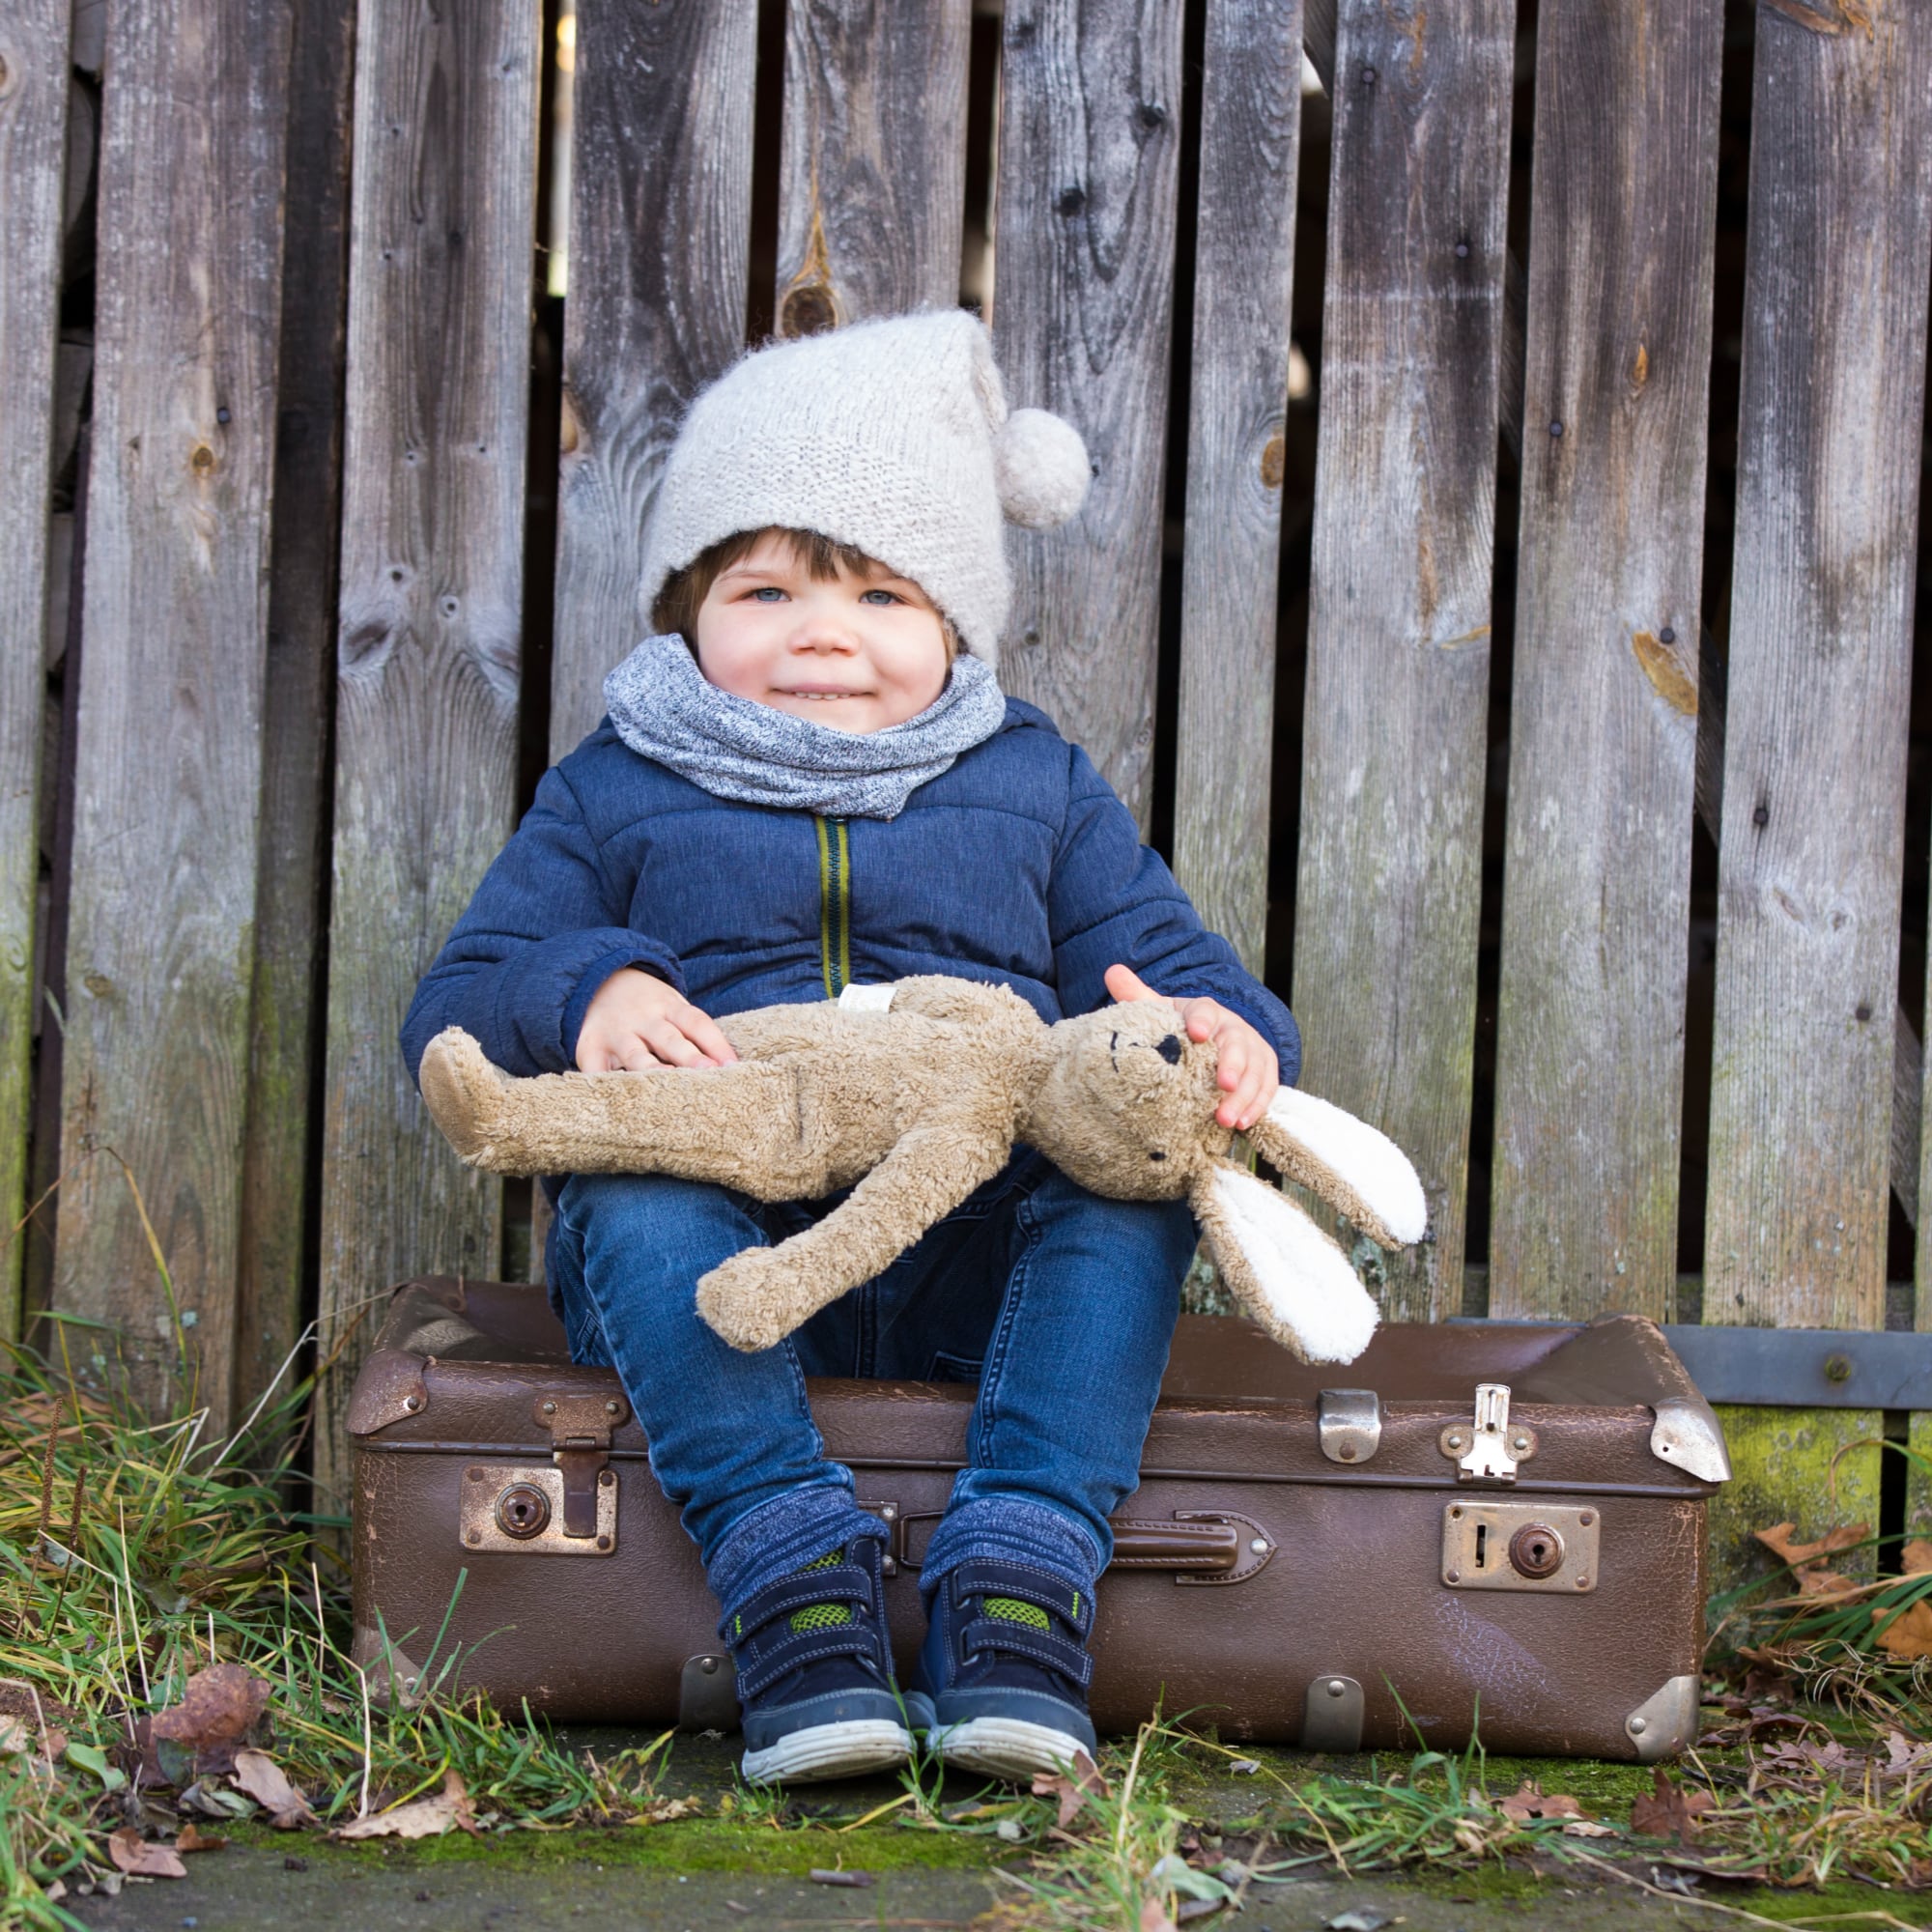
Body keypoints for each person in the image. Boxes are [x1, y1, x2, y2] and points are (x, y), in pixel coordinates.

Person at [401, 309, 1299, 1786]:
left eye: (883, 593)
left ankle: (1020, 1574)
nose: (823, 631)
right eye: (765, 587)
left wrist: (1221, 1038)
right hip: (720, 1271)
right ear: (685, 608)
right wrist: (585, 993)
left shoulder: (1036, 784)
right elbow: (456, 999)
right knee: (632, 1198)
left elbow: (1172, 966)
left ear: (956, 623)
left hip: (975, 1263)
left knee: (1130, 1178)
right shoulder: (616, 788)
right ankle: (789, 1581)